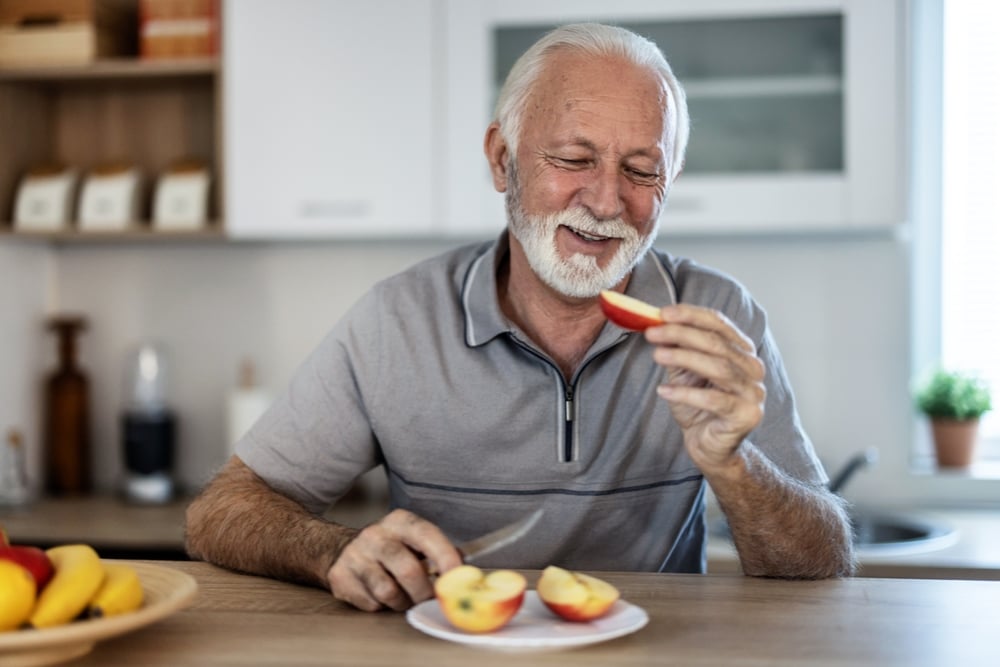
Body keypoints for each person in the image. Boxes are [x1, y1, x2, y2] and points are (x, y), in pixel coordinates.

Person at [185, 23, 855, 613]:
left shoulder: (716, 316)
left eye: (641, 170)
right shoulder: (398, 320)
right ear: (502, 159)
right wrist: (334, 550)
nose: (606, 201)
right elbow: (220, 511)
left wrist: (734, 463)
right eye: (573, 159)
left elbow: (825, 561)